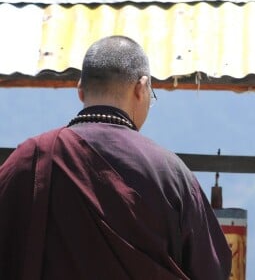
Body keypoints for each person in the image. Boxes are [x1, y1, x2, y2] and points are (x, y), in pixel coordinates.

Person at [0, 35, 231, 280]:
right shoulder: (170, 174)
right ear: (141, 88)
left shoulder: (32, 159)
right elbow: (210, 270)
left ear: (80, 90)